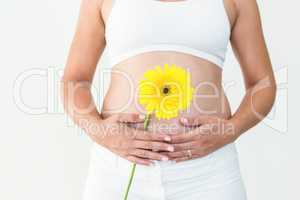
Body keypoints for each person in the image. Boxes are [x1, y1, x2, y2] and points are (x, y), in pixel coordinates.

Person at [61, 0, 276, 199]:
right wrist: (101, 132)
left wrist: (231, 130)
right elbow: (74, 80)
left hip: (209, 173)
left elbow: (262, 84)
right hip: (118, 170)